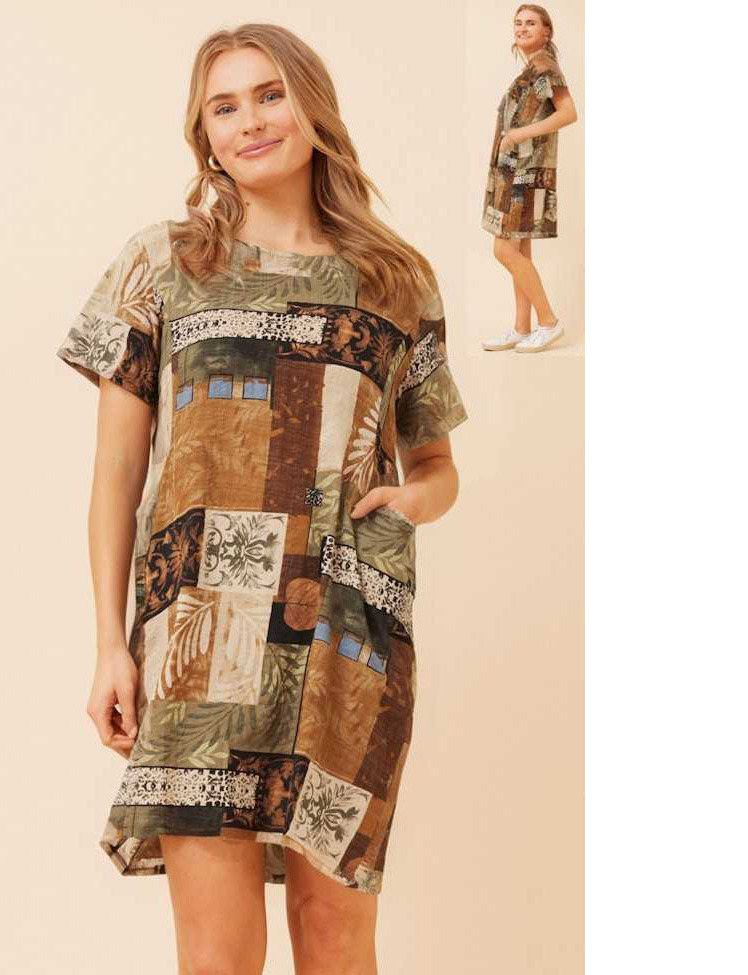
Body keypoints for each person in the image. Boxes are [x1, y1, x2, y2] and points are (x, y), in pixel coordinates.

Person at [56, 22, 468, 975]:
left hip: (345, 633)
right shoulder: (163, 263)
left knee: (336, 939)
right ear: (202, 134)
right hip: (200, 634)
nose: (250, 121)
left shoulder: (395, 280)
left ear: (312, 105)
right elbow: (116, 474)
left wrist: (413, 501)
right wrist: (111, 642)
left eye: (270, 94)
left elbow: (437, 461)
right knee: (217, 953)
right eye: (224, 106)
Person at [480, 5, 578, 353]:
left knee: (504, 250)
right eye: (518, 23)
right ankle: (522, 327)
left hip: (525, 174)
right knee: (519, 251)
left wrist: (521, 134)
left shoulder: (546, 67)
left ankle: (548, 322)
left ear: (546, 31)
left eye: (531, 23)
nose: (522, 28)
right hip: (514, 172)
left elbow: (569, 113)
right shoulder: (532, 68)